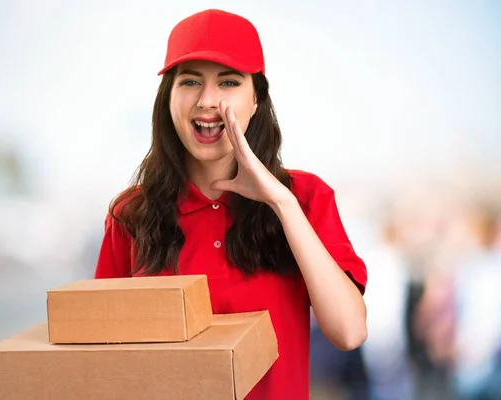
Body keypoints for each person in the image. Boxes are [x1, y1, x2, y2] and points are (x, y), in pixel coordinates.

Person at [95, 9, 368, 400]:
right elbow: (102, 356)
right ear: (167, 99)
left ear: (256, 98)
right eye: (189, 81)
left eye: (228, 82)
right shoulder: (131, 214)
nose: (208, 101)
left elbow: (349, 332)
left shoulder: (304, 198)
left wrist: (280, 202)